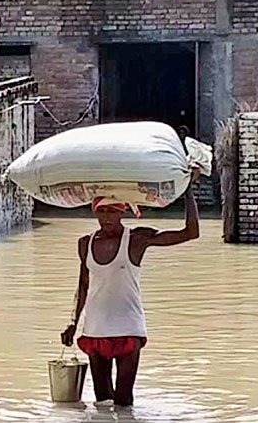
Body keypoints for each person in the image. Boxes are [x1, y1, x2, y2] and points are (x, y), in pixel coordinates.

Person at [60, 171, 201, 407]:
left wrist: (188, 192)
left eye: (112, 212)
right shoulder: (85, 243)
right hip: (95, 327)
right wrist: (73, 322)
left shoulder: (137, 239)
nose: (105, 218)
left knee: (124, 400)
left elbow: (190, 233)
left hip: (128, 326)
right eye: (101, 211)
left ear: (122, 212)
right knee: (102, 400)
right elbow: (83, 285)